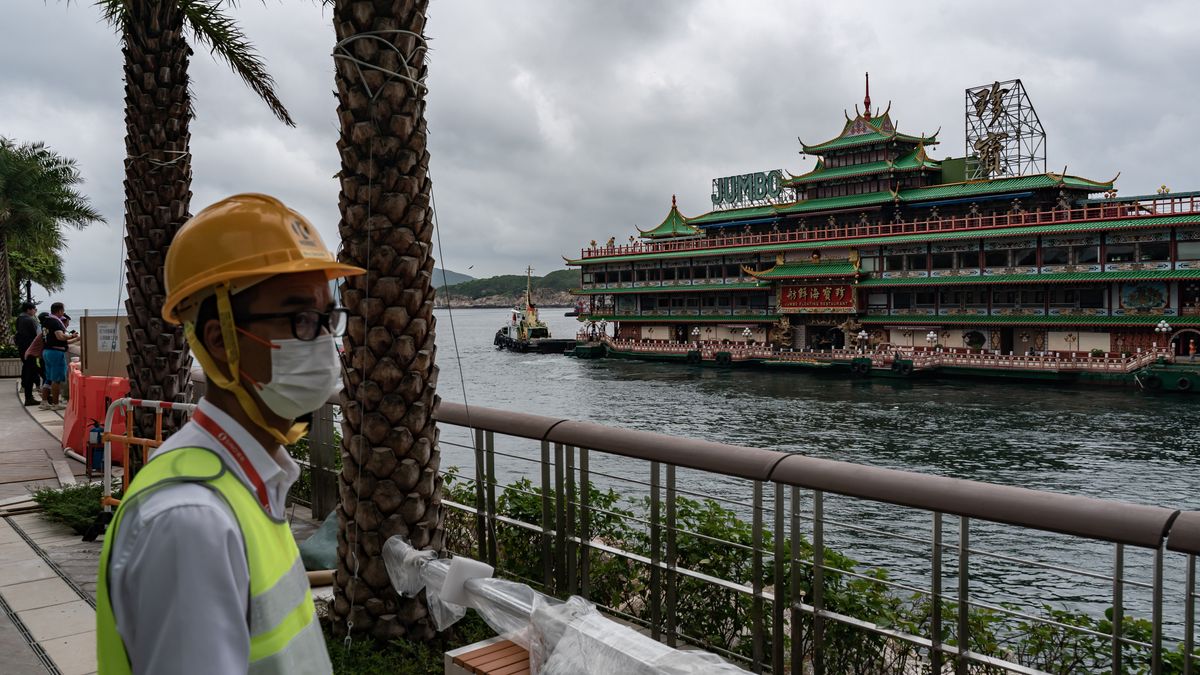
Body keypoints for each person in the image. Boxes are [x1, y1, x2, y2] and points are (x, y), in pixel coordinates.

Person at [96, 194, 364, 675]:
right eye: (300, 319)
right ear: (221, 339)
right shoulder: (190, 523)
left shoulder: (250, 483)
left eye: (328, 320)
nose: (325, 343)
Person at [40, 302, 79, 411]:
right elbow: (60, 337)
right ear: (60, 311)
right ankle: (55, 404)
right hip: (56, 352)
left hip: (47, 351)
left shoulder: (46, 321)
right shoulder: (55, 322)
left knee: (48, 378)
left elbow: (54, 337)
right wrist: (72, 335)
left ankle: (44, 402)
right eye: (63, 310)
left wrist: (74, 339)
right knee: (56, 379)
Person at [13, 301, 41, 405]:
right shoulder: (29, 320)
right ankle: (29, 398)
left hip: (23, 348)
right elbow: (38, 335)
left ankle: (28, 394)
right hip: (30, 349)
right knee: (31, 371)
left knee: (28, 370)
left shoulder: (19, 319)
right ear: (29, 309)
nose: (35, 311)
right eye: (34, 309)